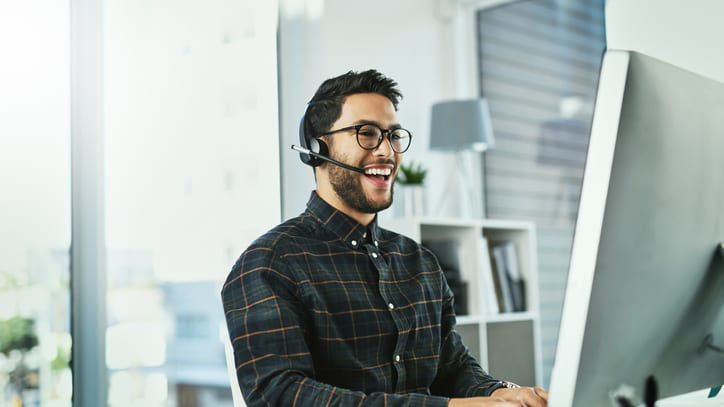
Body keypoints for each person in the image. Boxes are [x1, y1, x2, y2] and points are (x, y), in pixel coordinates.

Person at [221, 70, 548, 406]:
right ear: (317, 148)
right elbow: (281, 395)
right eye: (367, 133)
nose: (386, 151)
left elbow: (452, 368)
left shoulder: (418, 261)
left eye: (393, 136)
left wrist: (500, 393)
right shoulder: (270, 263)